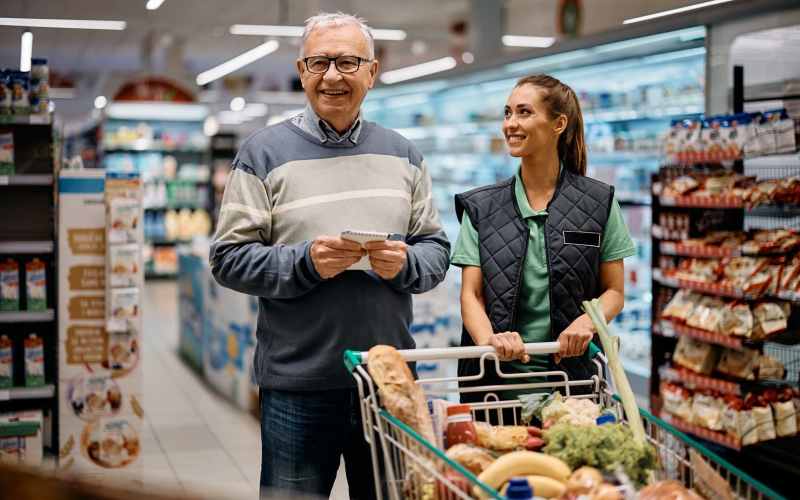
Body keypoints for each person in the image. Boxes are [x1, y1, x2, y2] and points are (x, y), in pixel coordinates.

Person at [209, 12, 450, 500]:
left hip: (386, 383)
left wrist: (407, 264)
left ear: (372, 71)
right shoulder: (261, 154)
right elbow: (228, 258)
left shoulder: (404, 155)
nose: (333, 75)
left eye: (346, 61)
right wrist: (305, 263)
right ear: (301, 71)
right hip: (297, 383)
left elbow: (437, 250)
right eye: (319, 62)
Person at [451, 74, 635, 403]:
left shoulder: (598, 202)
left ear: (558, 124)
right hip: (495, 388)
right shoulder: (481, 207)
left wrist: (587, 322)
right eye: (507, 113)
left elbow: (615, 291)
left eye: (524, 112)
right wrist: (490, 342)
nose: (510, 124)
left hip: (573, 383)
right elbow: (471, 295)